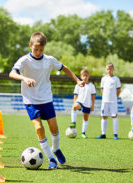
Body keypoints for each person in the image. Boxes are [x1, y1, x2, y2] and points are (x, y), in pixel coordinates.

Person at [9, 32, 84, 169]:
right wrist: (24, 78)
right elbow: (12, 73)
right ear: (30, 45)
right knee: (39, 128)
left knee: (54, 128)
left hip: (46, 99)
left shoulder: (49, 60)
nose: (38, 52)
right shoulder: (24, 60)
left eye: (41, 50)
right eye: (35, 49)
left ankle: (55, 149)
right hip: (30, 100)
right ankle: (51, 159)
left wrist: (77, 80)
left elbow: (64, 68)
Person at [96, 63, 121, 140]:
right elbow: (102, 88)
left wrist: (115, 98)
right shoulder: (103, 79)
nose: (109, 70)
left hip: (113, 101)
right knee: (104, 116)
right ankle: (103, 134)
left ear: (113, 69)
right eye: (107, 69)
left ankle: (115, 134)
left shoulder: (116, 79)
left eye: (110, 68)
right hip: (105, 101)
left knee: (114, 116)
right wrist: (104, 97)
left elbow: (119, 90)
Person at [69, 69, 96, 138]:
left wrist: (92, 105)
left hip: (88, 103)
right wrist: (74, 103)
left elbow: (93, 96)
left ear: (88, 76)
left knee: (85, 118)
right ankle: (73, 123)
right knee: (74, 107)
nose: (85, 77)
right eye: (83, 76)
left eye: (86, 76)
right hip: (80, 101)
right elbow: (75, 95)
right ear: (81, 76)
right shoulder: (78, 85)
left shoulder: (91, 86)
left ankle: (83, 133)